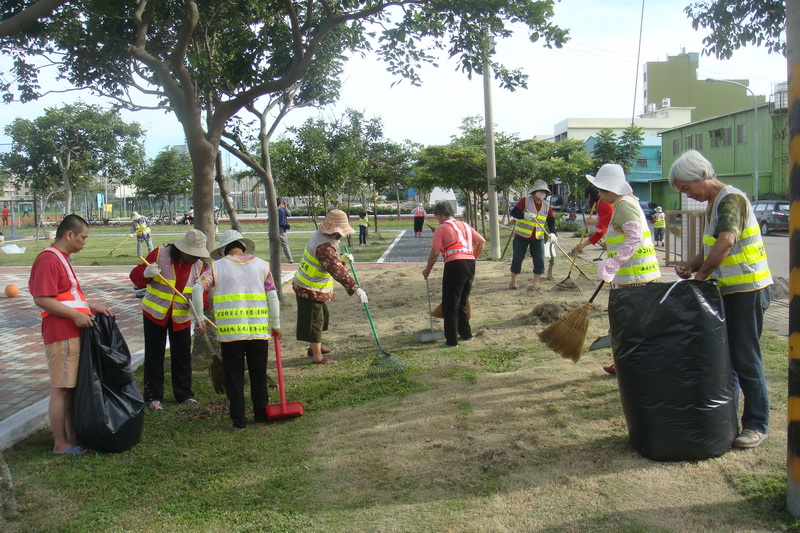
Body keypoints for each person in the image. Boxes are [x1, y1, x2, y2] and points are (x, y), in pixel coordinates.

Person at [669, 149, 772, 449]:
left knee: (746, 358)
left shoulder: (730, 199)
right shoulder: (713, 205)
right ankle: (728, 422)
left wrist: (702, 276)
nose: (689, 195)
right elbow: (712, 246)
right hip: (729, 290)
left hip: (747, 290)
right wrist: (693, 264)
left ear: (702, 175)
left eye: (688, 188)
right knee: (729, 361)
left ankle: (757, 424)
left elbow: (727, 241)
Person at [29, 214, 113, 454]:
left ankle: (72, 436)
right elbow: (42, 299)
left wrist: (89, 308)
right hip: (61, 332)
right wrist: (75, 316)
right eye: (83, 237)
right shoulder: (48, 259)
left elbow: (69, 296)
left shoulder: (62, 258)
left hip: (72, 330)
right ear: (69, 235)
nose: (84, 242)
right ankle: (60, 443)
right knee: (62, 389)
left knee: (70, 387)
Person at [194, 230, 281, 430]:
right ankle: (261, 415)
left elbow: (198, 289)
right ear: (243, 246)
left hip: (231, 334)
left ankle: (239, 421)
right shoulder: (262, 266)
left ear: (224, 250)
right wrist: (275, 324)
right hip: (258, 331)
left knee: (234, 377)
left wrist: (200, 318)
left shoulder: (216, 267)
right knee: (258, 374)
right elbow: (273, 296)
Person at [588, 164, 661, 375]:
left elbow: (635, 237)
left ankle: (634, 366)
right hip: (632, 276)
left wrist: (614, 262)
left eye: (601, 191)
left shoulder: (624, 205)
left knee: (631, 324)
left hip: (636, 278)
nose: (600, 196)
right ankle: (625, 363)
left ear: (611, 189)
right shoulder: (625, 204)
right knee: (628, 323)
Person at [129, 229, 210, 411]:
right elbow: (135, 277)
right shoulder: (159, 254)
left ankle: (184, 394)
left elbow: (201, 294)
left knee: (182, 356)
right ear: (183, 250)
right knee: (154, 355)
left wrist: (199, 312)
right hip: (154, 314)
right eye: (193, 254)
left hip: (180, 317)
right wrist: (146, 274)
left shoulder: (198, 266)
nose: (196, 258)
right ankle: (153, 397)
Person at [292, 209, 368, 364]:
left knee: (321, 318)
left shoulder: (321, 236)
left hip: (311, 285)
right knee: (315, 321)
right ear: (334, 231)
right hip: (309, 287)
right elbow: (337, 271)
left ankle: (314, 347)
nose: (341, 237)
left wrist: (343, 259)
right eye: (340, 233)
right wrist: (356, 288)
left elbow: (331, 264)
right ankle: (317, 357)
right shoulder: (324, 247)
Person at [422, 201, 486, 348]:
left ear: (439, 214)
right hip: (470, 263)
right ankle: (466, 334)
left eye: (437, 216)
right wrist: (472, 257)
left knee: (450, 304)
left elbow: (435, 253)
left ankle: (451, 341)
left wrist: (427, 270)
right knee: (462, 302)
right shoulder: (465, 225)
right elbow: (482, 241)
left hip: (455, 264)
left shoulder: (441, 228)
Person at [509, 180, 557, 290]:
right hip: (521, 236)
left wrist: (553, 233)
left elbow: (551, 220)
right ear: (535, 192)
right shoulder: (525, 201)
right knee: (517, 259)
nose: (542, 194)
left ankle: (536, 285)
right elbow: (514, 212)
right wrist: (524, 216)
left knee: (539, 260)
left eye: (544, 192)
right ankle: (513, 283)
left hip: (538, 237)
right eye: (540, 191)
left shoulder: (546, 205)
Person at [573, 185, 614, 255]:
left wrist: (597, 221)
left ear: (589, 196)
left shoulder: (603, 202)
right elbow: (600, 233)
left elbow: (613, 214)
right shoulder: (598, 206)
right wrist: (582, 245)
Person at [277, 198, 294, 263]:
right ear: (280, 204)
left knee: (277, 246)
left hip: (275, 230)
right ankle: (290, 259)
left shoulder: (273, 210)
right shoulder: (283, 210)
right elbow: (289, 214)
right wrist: (286, 207)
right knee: (285, 245)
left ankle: (277, 260)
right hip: (282, 230)